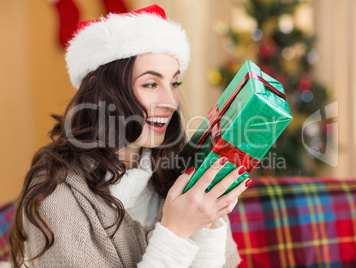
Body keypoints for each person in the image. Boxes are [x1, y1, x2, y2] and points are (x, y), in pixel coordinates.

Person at [9, 4, 251, 268]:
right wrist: (176, 232)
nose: (171, 101)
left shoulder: (178, 171)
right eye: (150, 84)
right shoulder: (56, 196)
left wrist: (207, 221)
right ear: (99, 93)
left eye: (174, 83)